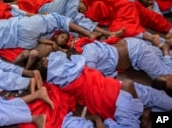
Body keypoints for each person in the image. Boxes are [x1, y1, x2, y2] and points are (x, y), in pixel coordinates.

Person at [36, 51, 172, 128]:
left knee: (152, 106)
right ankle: (151, 112)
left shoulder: (60, 83)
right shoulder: (72, 67)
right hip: (113, 90)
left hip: (105, 105)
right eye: (46, 60)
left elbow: (67, 103)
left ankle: (149, 113)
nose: (48, 58)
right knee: (154, 97)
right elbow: (58, 55)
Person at [0, 0, 125, 38]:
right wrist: (41, 17)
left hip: (52, 4)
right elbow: (25, 15)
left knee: (77, 16)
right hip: (44, 10)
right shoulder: (16, 5)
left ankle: (107, 33)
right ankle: (74, 20)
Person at [67, 36, 172, 89]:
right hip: (133, 46)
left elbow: (92, 78)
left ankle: (166, 49)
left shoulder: (88, 55)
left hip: (135, 52)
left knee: (165, 77)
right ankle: (166, 51)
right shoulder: (89, 54)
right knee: (162, 59)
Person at [0, 13, 101, 51]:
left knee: (49, 37)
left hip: (22, 43)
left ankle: (76, 44)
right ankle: (89, 34)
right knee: (57, 19)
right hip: (21, 26)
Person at [78, 0, 167, 47]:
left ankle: (151, 38)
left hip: (120, 6)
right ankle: (160, 42)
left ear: (79, 1)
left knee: (120, 29)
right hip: (115, 17)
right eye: (78, 10)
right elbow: (102, 22)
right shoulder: (84, 16)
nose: (80, 10)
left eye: (78, 7)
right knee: (117, 32)